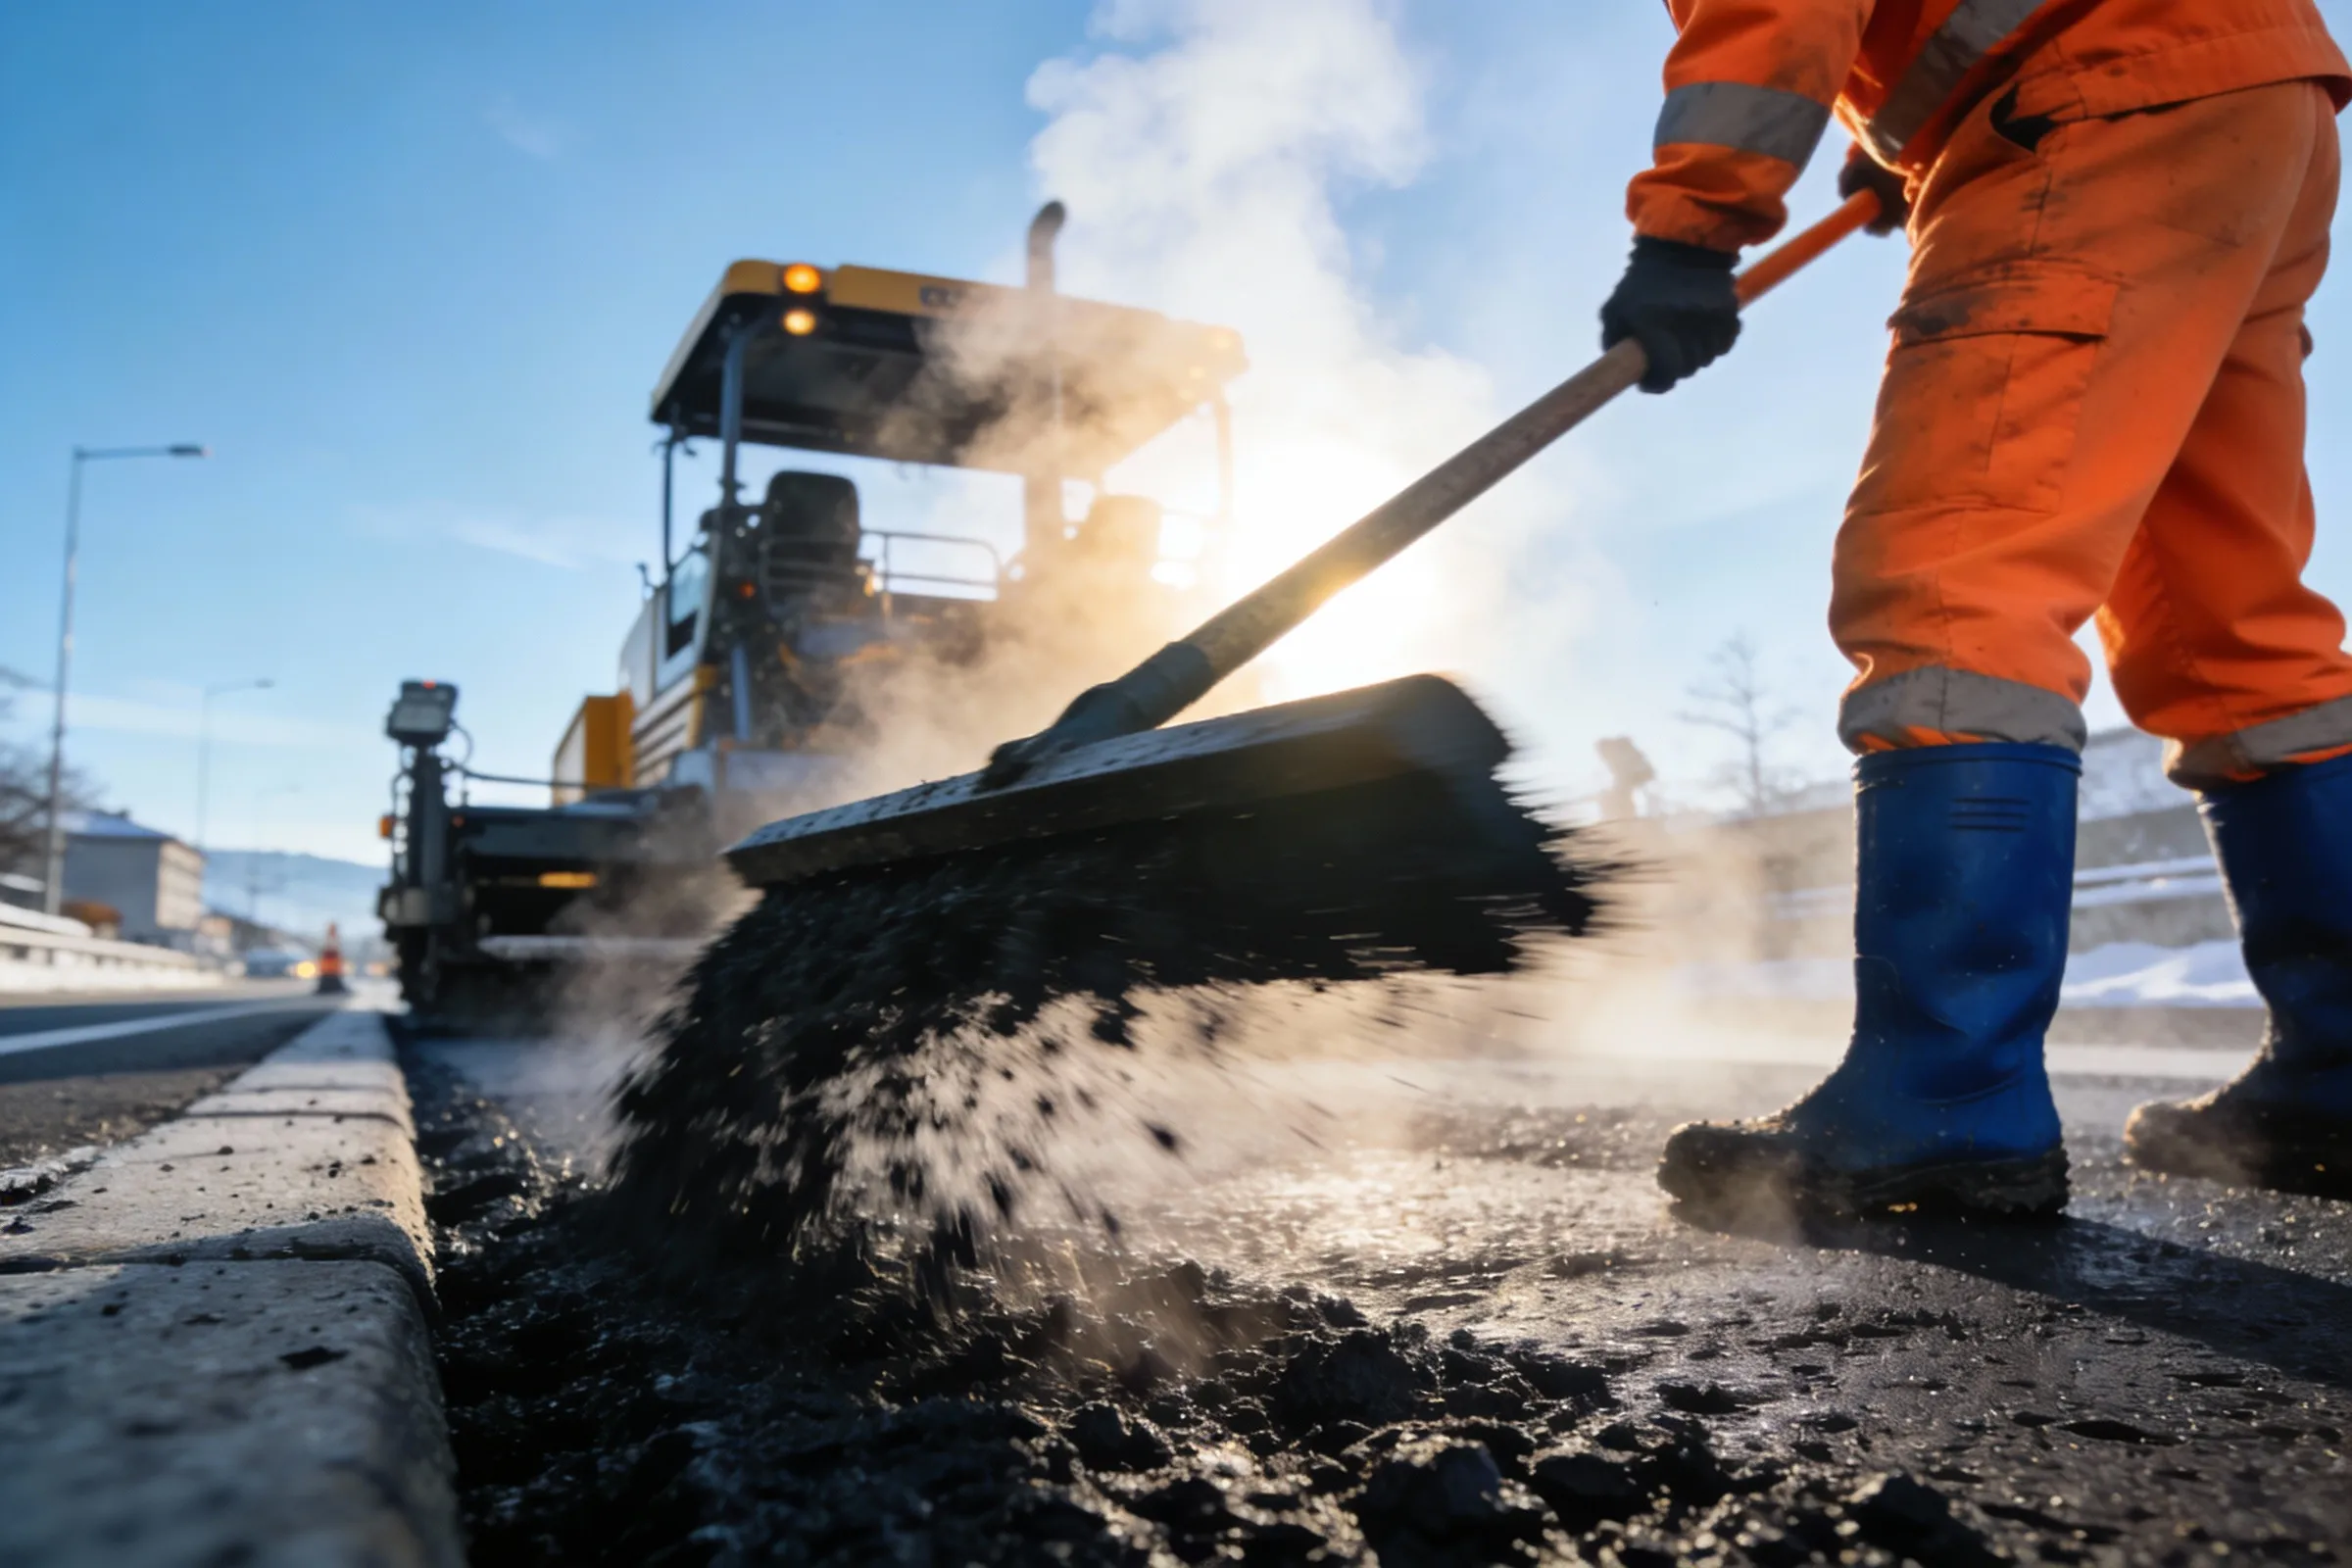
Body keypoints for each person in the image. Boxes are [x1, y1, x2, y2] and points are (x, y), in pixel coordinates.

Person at [1600, 1, 2352, 1215]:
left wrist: (1693, 226)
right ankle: (2345, 1069)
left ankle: (1944, 1091)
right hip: (2248, 88)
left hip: (2091, 100)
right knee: (2227, 620)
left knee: (1957, 578)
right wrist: (1901, 134)